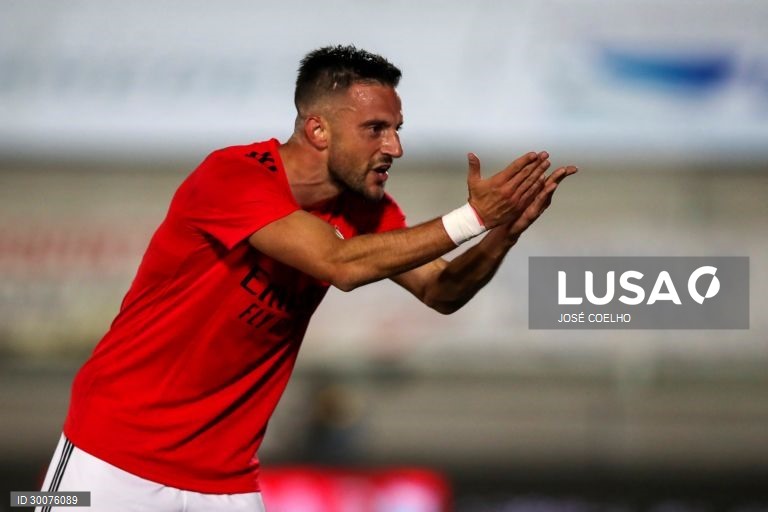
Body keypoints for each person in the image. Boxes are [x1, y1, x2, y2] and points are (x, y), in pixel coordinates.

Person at [37, 45, 577, 511]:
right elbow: (338, 265)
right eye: (375, 129)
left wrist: (502, 233)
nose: (394, 147)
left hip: (226, 482)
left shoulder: (366, 209)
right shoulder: (231, 175)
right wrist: (472, 218)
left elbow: (442, 291)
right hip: (108, 459)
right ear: (317, 128)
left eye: (396, 130)